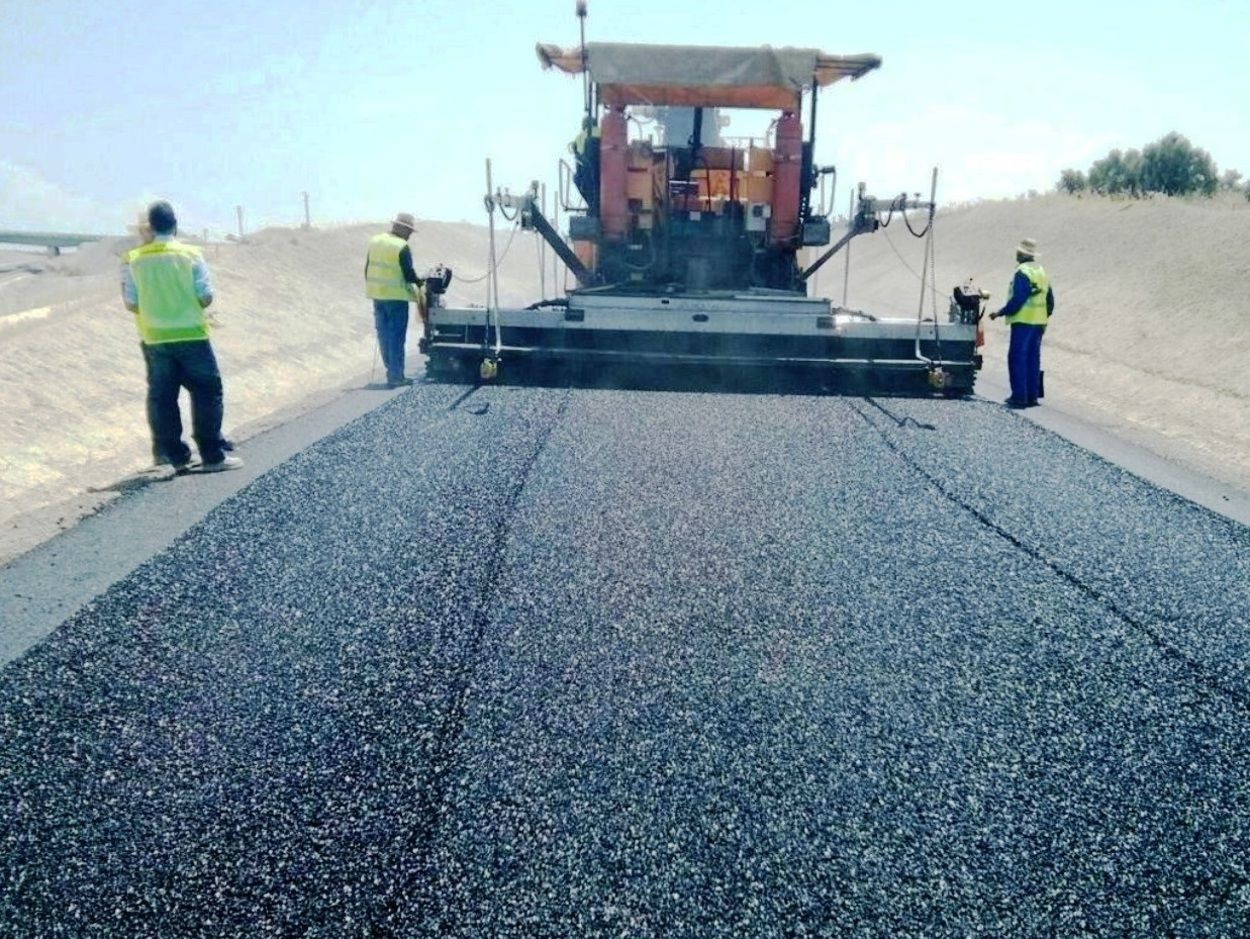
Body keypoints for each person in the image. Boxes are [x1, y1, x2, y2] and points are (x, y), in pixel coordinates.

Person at [122, 201, 242, 473]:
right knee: (207, 392)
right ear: (175, 225)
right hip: (191, 335)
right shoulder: (191, 255)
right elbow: (205, 297)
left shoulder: (133, 259)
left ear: (150, 228)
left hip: (154, 338)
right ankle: (212, 455)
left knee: (162, 397)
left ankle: (173, 456)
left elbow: (131, 303)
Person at [989, 237, 1055, 408]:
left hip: (1023, 323)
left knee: (1017, 358)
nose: (1016, 253)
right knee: (1033, 359)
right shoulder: (1041, 271)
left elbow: (1019, 298)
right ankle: (1032, 396)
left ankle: (1019, 397)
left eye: (1019, 251)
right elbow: (1050, 301)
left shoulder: (1022, 272)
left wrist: (1000, 312)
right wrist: (1043, 317)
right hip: (1039, 324)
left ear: (1022, 254)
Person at [365, 212, 424, 387]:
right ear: (402, 228)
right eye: (409, 232)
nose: (410, 235)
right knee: (396, 337)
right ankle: (396, 376)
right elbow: (408, 274)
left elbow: (367, 268)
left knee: (383, 335)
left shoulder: (375, 241)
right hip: (396, 299)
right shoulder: (401, 246)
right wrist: (421, 283)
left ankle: (391, 371)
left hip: (378, 297)